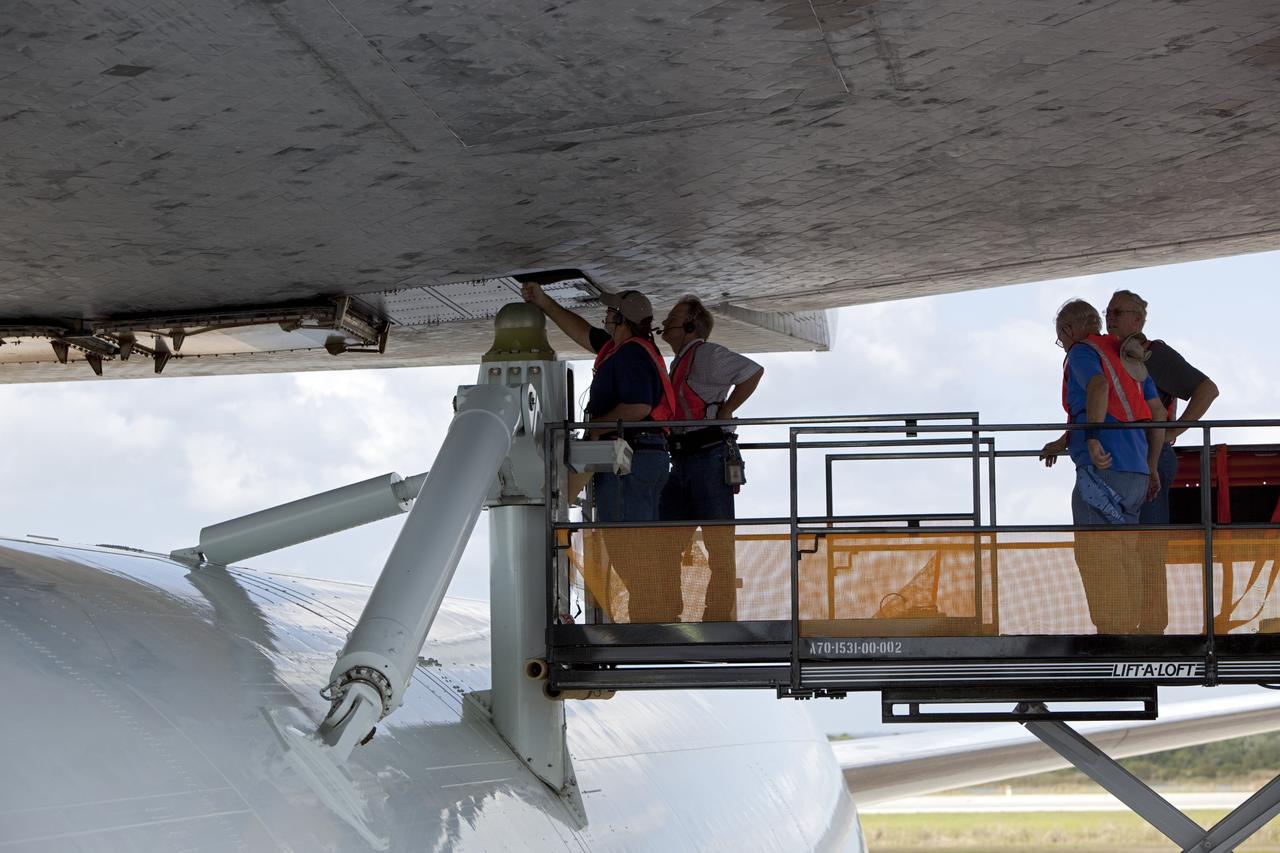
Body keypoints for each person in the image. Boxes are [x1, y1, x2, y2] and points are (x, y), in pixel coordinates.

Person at [521, 282, 676, 622]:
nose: (605, 314)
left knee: (626, 541)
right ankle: (656, 612)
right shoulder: (622, 348)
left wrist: (595, 429)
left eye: (611, 311)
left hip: (632, 460)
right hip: (646, 457)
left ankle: (651, 616)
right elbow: (582, 332)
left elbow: (637, 407)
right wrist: (544, 302)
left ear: (622, 318)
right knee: (638, 540)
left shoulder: (632, 353)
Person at [1039, 299, 1166, 634]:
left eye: (1060, 338)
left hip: (1103, 471)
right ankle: (1131, 626)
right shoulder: (1126, 354)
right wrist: (1152, 465)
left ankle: (1111, 631)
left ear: (1069, 330)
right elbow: (1157, 414)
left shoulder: (1082, 351)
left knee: (1097, 554)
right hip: (1136, 472)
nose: (1063, 345)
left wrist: (1092, 438)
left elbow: (1097, 388)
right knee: (1125, 552)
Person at [1106, 288, 1219, 632]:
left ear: (1137, 319)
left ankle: (1152, 625)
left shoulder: (1154, 355)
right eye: (1108, 312)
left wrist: (1176, 431)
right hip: (1127, 461)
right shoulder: (1109, 354)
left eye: (1117, 312)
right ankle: (1130, 623)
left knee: (1149, 548)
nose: (1110, 317)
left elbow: (1207, 389)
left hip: (1151, 458)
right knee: (1123, 549)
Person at [656, 296, 764, 621]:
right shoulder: (682, 362)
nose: (666, 322)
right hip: (686, 459)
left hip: (708, 457)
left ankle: (716, 615)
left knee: (717, 544)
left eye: (674, 317)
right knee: (669, 540)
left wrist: (727, 411)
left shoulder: (705, 355)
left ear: (690, 326)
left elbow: (752, 371)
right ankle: (673, 611)